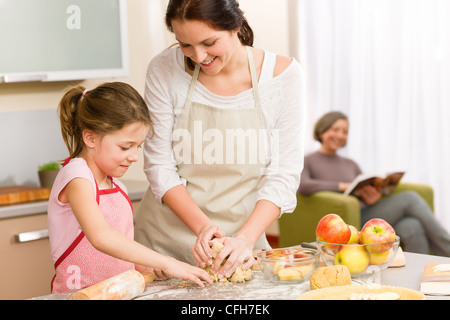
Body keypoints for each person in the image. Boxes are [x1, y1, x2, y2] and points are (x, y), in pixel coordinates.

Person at [134, 0, 305, 280]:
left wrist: (245, 240)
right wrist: (204, 229)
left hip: (240, 245)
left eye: (209, 42)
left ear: (235, 26)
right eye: (185, 45)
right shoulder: (164, 69)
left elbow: (284, 175)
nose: (198, 56)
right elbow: (159, 167)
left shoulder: (283, 77)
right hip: (163, 248)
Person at [48, 82, 212, 293]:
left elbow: (115, 252)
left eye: (138, 147)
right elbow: (101, 237)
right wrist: (166, 261)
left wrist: (143, 265)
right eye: (125, 147)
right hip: (79, 295)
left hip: (118, 293)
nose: (134, 157)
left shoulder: (116, 185)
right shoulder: (77, 178)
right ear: (90, 138)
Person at [299, 111, 450, 256]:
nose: (340, 135)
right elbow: (303, 185)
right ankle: (447, 248)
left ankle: (424, 272)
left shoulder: (350, 163)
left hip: (366, 212)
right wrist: (340, 185)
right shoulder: (308, 160)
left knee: (412, 226)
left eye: (344, 131)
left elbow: (362, 188)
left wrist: (373, 197)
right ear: (321, 131)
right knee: (410, 198)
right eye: (335, 129)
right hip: (348, 222)